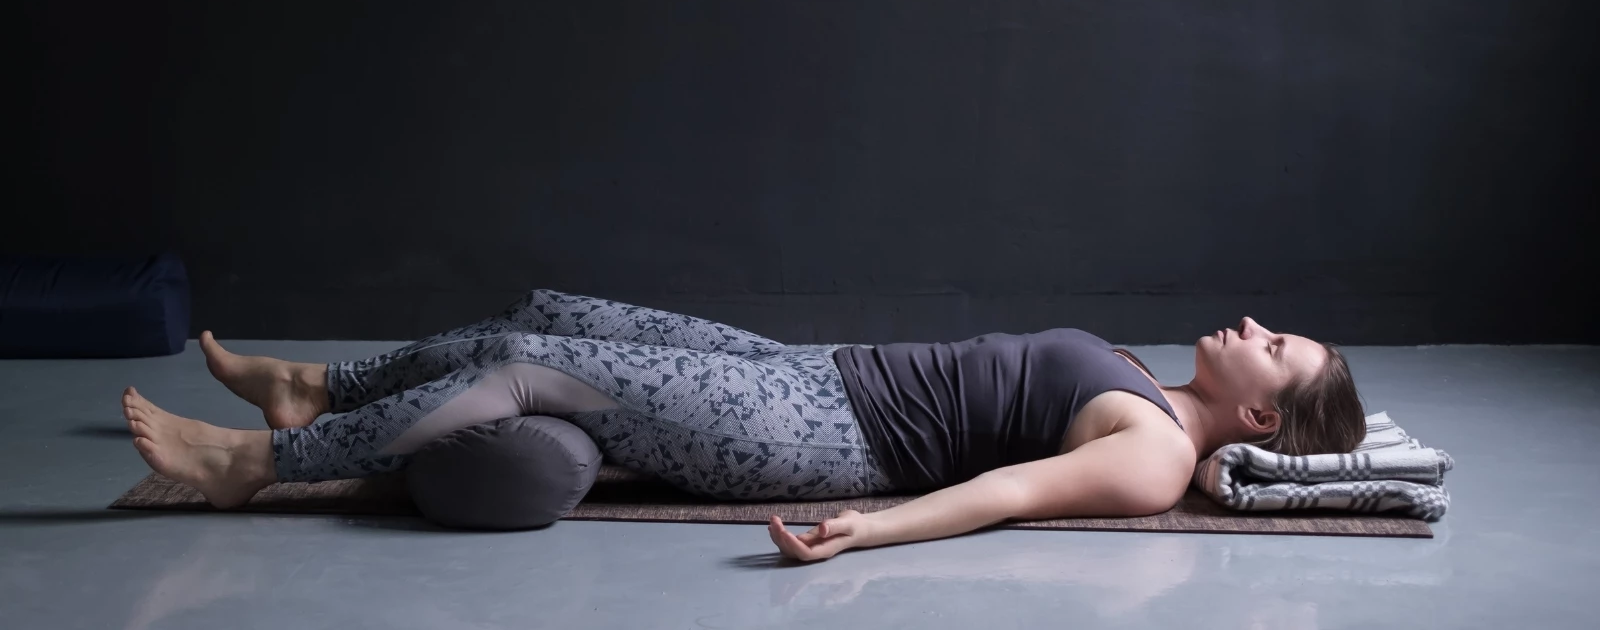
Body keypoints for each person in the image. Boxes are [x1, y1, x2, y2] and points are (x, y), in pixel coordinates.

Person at [120, 288, 1364, 562]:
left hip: (823, 430)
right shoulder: (1150, 384)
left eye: (1277, 345)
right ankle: (320, 390)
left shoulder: (1154, 456)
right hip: (815, 369)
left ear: (1257, 409)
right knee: (559, 307)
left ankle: (261, 464)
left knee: (532, 364)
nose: (1257, 323)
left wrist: (862, 532)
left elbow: (1005, 496)